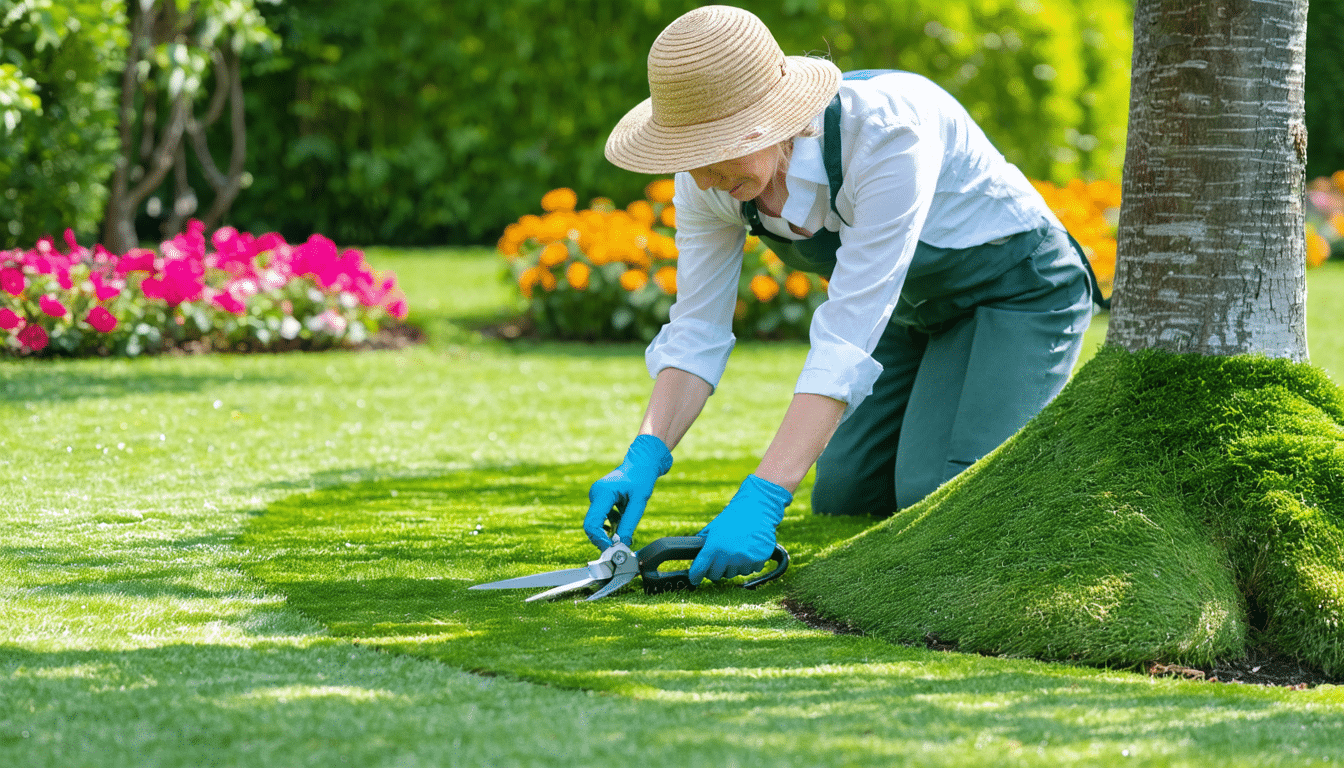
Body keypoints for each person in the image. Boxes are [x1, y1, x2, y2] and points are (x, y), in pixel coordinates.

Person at [583, 5, 1102, 585]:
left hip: (1018, 294)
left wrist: (764, 495)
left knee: (938, 496)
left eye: (717, 148)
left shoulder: (885, 135)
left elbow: (845, 342)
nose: (703, 178)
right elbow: (697, 330)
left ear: (773, 119)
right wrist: (644, 453)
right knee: (846, 494)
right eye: (691, 154)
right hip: (905, 312)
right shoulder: (708, 178)